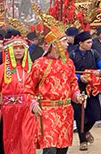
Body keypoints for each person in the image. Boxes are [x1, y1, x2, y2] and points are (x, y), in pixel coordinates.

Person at [28, 26, 86, 154]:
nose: (67, 44)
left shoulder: (68, 63)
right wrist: (33, 103)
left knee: (62, 148)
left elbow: (72, 83)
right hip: (47, 111)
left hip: (65, 111)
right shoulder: (40, 64)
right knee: (50, 148)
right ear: (54, 44)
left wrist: (77, 95)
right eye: (64, 41)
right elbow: (29, 87)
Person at [0, 35, 36, 154]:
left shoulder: (32, 69)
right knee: (10, 139)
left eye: (21, 48)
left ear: (26, 50)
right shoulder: (2, 69)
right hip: (9, 111)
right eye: (15, 48)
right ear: (9, 50)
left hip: (27, 111)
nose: (18, 51)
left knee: (27, 140)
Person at [70, 31, 101, 151]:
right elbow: (69, 72)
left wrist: (99, 72)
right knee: (80, 114)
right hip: (78, 89)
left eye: (91, 42)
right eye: (88, 42)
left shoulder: (94, 53)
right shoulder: (72, 55)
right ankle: (82, 141)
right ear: (80, 43)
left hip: (92, 88)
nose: (91, 44)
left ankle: (85, 131)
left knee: (95, 114)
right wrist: (80, 78)